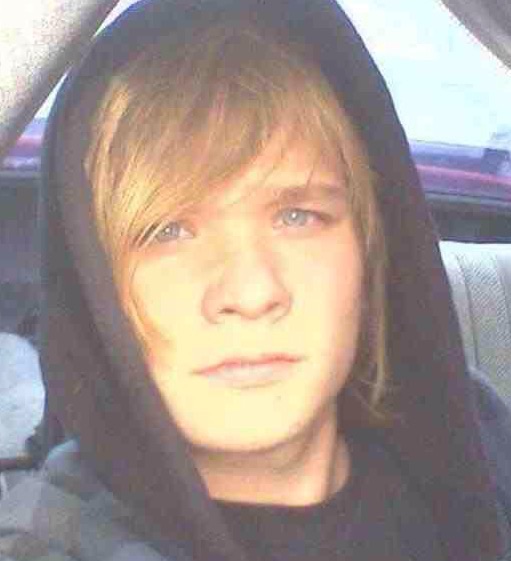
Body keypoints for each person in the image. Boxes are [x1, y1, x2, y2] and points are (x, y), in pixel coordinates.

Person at [0, 0, 510, 560]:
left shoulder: (478, 438)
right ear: (95, 289)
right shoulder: (49, 542)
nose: (251, 293)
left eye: (298, 217)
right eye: (167, 230)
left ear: (369, 251)